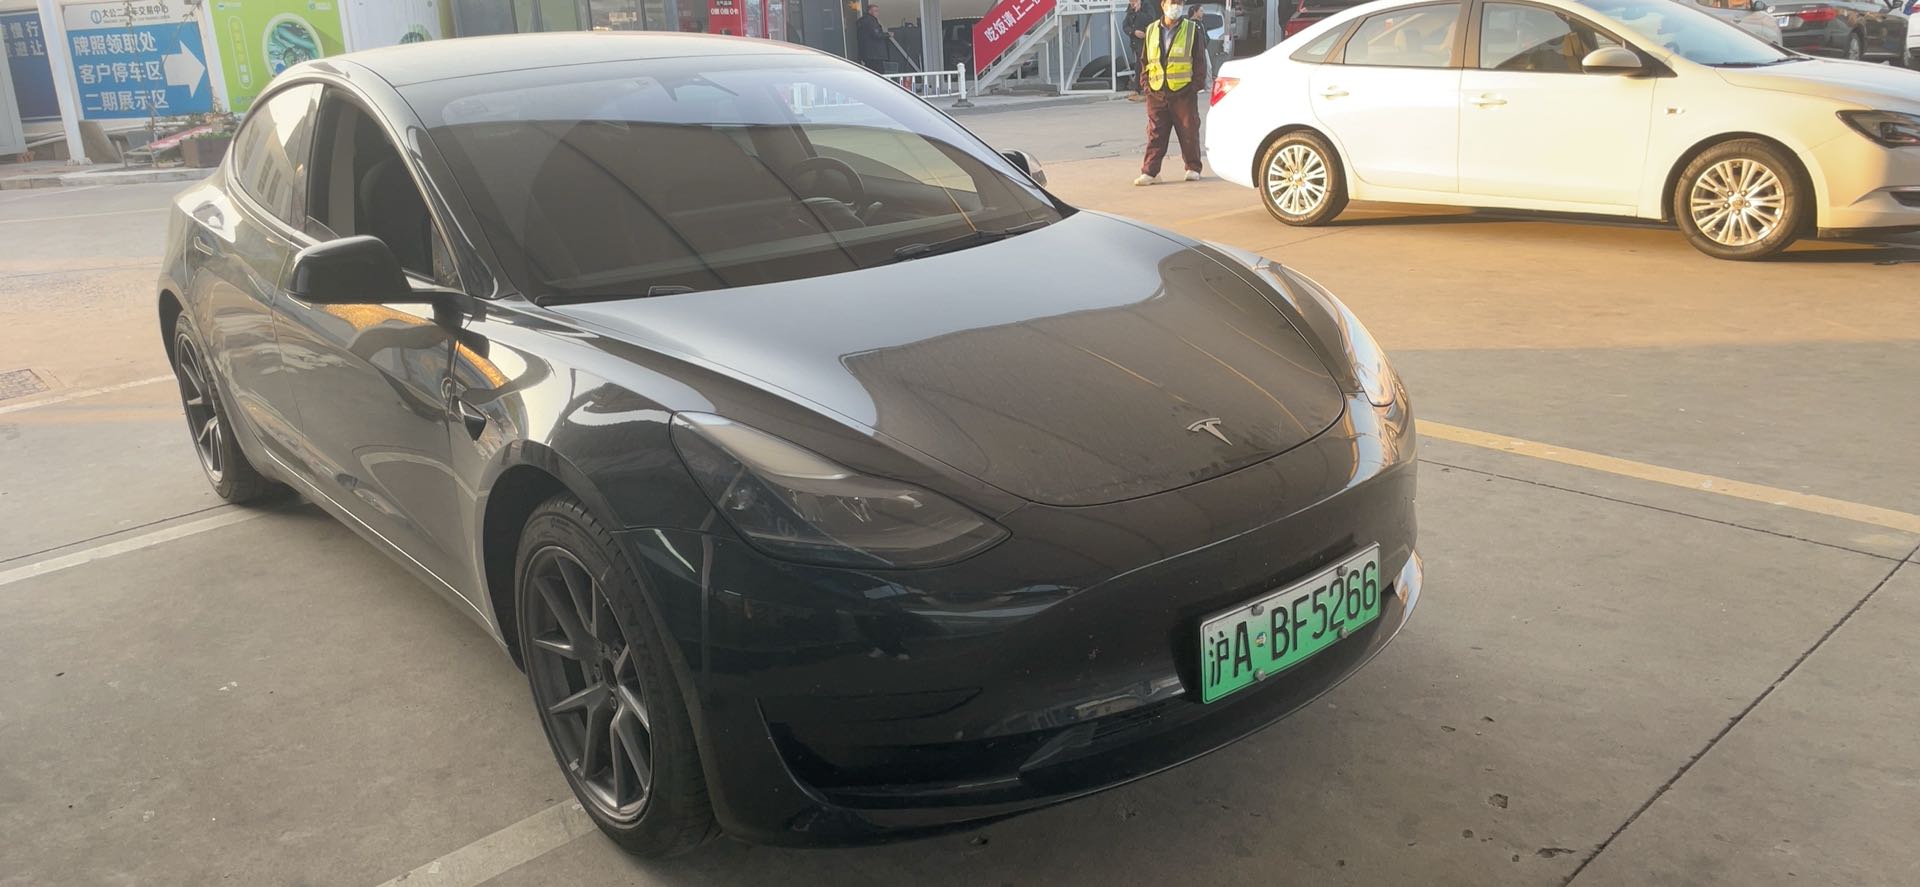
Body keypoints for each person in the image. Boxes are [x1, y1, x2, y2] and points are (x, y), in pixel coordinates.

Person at [1134, 0, 1208, 186]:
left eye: (1179, 3)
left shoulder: (1191, 29)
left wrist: (1195, 87)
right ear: (1163, 5)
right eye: (1172, 2)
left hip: (1183, 91)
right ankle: (1150, 172)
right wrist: (1146, 85)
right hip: (1157, 91)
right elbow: (1144, 60)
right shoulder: (1151, 29)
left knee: (1188, 130)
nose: (1176, 6)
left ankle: (1193, 167)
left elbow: (1199, 59)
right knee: (1155, 133)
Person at [1123, 0, 1159, 99]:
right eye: (1130, 1)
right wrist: (1133, 32)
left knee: (1142, 65)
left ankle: (1139, 89)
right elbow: (1125, 25)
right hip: (1136, 42)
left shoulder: (1147, 6)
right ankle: (1139, 88)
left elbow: (1151, 19)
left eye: (1133, 1)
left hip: (1146, 41)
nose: (1132, 3)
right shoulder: (1130, 9)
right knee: (1139, 64)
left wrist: (1138, 12)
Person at [857, 4, 888, 73]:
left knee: (870, 72)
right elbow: (877, 34)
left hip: (865, 53)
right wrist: (887, 34)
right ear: (870, 11)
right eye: (875, 11)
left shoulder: (861, 20)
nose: (877, 13)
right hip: (875, 54)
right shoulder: (872, 21)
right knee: (879, 73)